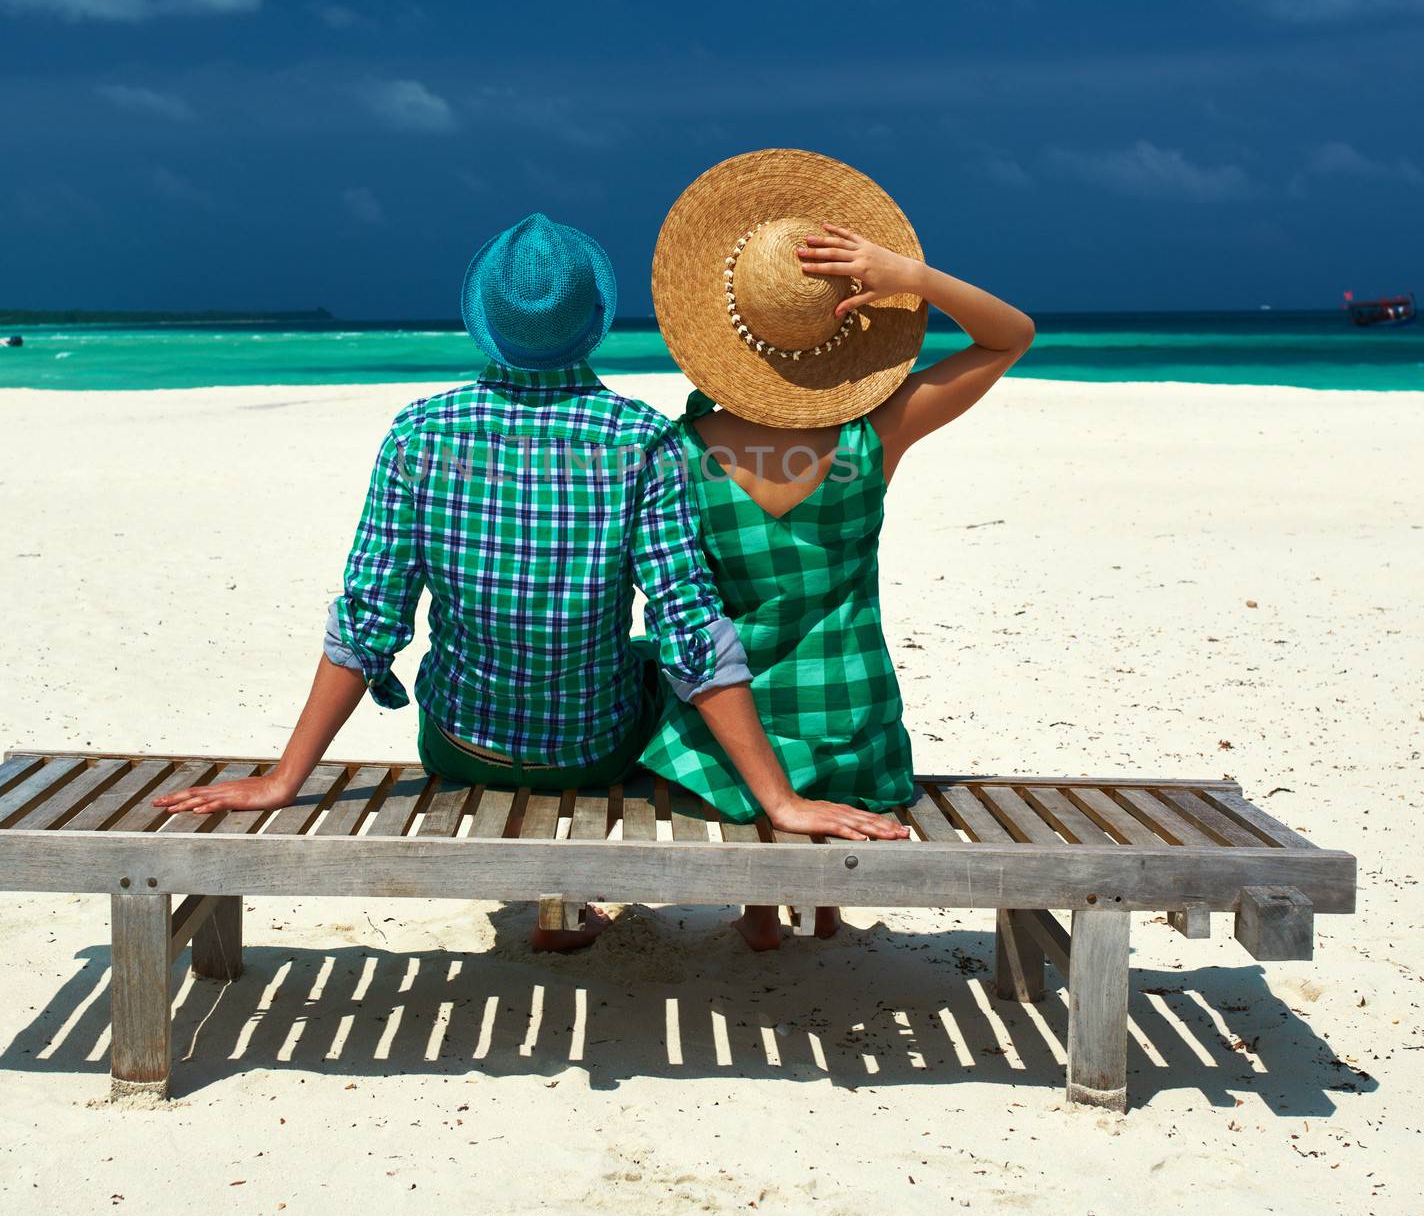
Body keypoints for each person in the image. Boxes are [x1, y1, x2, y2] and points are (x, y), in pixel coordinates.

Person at [154, 211, 903, 948]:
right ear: (597, 324)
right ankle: (754, 900)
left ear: (485, 319)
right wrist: (779, 800)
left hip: (458, 742)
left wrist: (286, 778)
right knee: (653, 664)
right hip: (592, 751)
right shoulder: (638, 439)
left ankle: (564, 906)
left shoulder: (422, 433)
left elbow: (368, 619)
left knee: (593, 660)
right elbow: (690, 629)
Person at [643, 149, 1035, 949]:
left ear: (726, 331)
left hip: (718, 752)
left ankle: (760, 904)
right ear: (843, 329)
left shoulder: (676, 454)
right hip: (854, 735)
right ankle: (820, 903)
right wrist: (913, 277)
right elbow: (1009, 337)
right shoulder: (872, 438)